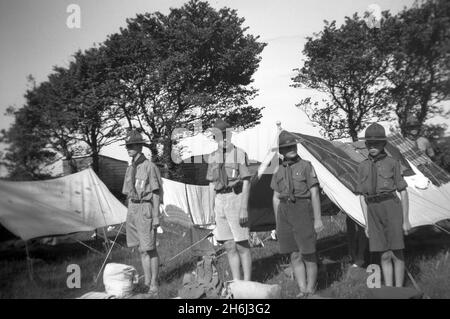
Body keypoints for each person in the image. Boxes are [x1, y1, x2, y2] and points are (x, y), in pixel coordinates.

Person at [357, 123, 412, 287]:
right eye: (369, 144)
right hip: (373, 210)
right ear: (366, 145)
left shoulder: (393, 163)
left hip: (391, 207)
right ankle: (389, 290)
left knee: (396, 252)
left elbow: (403, 191)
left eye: (377, 143)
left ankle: (399, 288)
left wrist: (406, 219)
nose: (373, 147)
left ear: (384, 144)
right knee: (384, 254)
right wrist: (367, 223)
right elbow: (361, 197)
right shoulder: (362, 166)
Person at [270, 130, 324, 297]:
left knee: (308, 253)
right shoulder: (278, 171)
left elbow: (315, 193)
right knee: (294, 254)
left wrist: (317, 219)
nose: (291, 148)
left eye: (293, 145)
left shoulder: (306, 166)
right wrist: (278, 223)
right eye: (286, 147)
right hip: (285, 213)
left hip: (302, 209)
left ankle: (310, 288)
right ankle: (302, 290)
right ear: (281, 151)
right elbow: (276, 197)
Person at [206, 119, 253, 281]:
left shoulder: (239, 154)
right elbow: (212, 184)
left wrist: (244, 208)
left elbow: (246, 181)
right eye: (219, 136)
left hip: (235, 197)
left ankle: (246, 283)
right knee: (229, 245)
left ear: (230, 135)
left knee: (242, 244)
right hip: (220, 200)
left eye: (226, 135)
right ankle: (236, 281)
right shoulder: (212, 157)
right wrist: (211, 208)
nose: (223, 139)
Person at [121, 129, 162, 296]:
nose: (128, 148)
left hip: (146, 207)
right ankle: (146, 281)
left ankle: (154, 283)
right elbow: (127, 191)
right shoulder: (130, 167)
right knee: (141, 249)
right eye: (127, 145)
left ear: (140, 146)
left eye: (131, 145)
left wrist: (156, 216)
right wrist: (129, 212)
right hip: (133, 207)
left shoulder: (149, 167)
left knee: (149, 248)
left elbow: (156, 192)